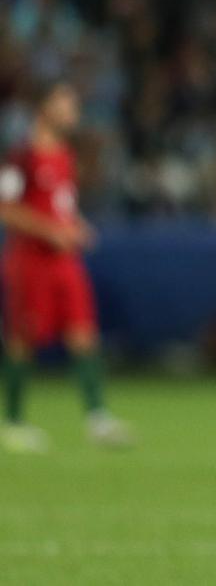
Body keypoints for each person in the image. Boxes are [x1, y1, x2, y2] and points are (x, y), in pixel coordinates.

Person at [0, 82, 133, 453]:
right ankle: (12, 423)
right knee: (22, 340)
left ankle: (98, 418)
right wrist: (51, 231)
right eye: (65, 101)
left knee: (83, 333)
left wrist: (76, 226)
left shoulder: (64, 155)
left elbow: (60, 205)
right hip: (30, 261)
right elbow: (6, 209)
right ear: (43, 108)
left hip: (64, 261)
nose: (73, 108)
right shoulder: (21, 157)